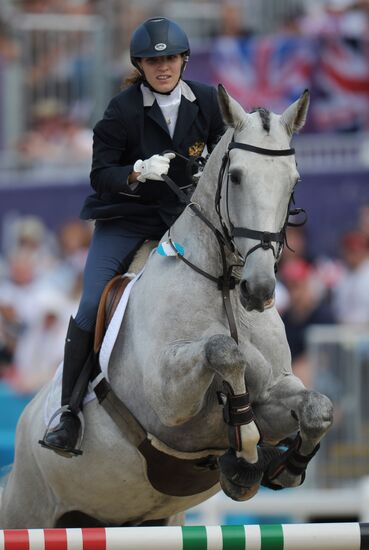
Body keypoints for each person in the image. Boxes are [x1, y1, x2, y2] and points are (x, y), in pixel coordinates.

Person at [40, 16, 225, 455]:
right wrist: (137, 173)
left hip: (186, 218)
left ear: (184, 59)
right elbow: (100, 175)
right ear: (139, 65)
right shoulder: (121, 110)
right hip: (128, 219)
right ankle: (68, 413)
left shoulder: (208, 101)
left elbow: (224, 156)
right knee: (90, 304)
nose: (163, 67)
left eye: (170, 58)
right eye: (152, 60)